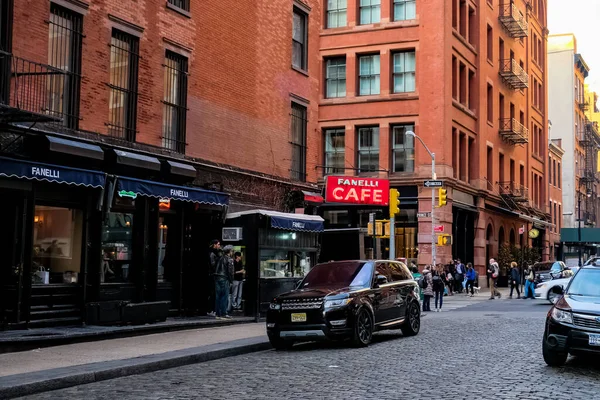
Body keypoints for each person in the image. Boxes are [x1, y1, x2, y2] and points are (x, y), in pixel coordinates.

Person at [214, 245, 234, 319]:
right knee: (224, 296)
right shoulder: (230, 259)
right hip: (225, 278)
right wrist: (231, 281)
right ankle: (223, 313)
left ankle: (217, 314)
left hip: (217, 278)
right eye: (232, 251)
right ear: (230, 251)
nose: (232, 252)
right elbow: (230, 272)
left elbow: (215, 268)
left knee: (218, 296)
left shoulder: (220, 258)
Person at [207, 240, 222, 317]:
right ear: (215, 245)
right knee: (213, 292)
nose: (219, 246)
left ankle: (213, 309)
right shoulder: (212, 254)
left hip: (215, 275)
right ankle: (211, 309)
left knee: (215, 293)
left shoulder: (216, 253)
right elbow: (213, 264)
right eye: (218, 244)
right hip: (213, 275)